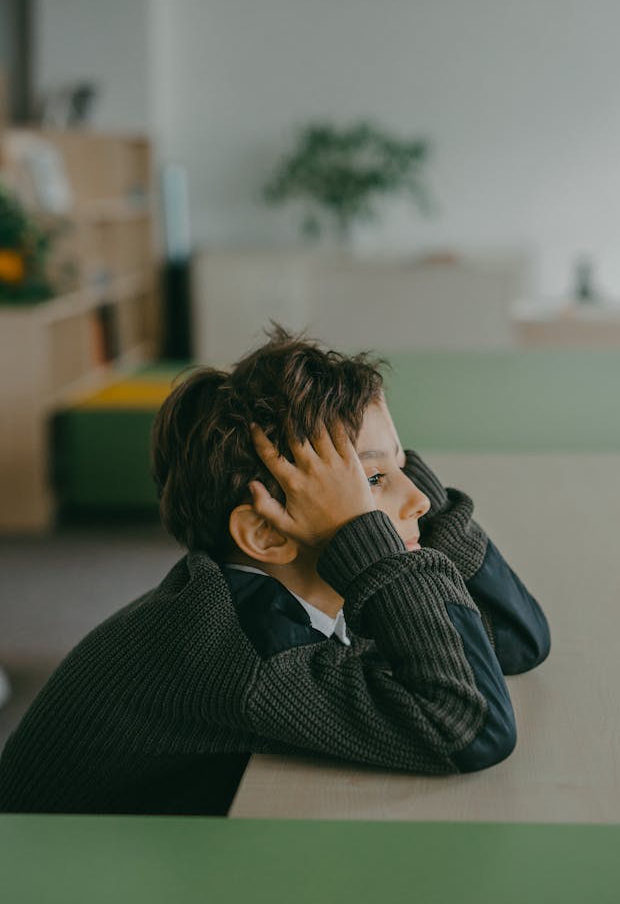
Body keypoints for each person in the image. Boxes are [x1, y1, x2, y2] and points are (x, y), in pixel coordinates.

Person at [0, 327, 550, 815]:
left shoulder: (303, 585)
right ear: (266, 534)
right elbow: (468, 728)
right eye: (371, 483)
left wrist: (389, 476)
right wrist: (372, 534)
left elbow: (515, 638)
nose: (421, 502)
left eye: (403, 470)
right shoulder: (237, 645)